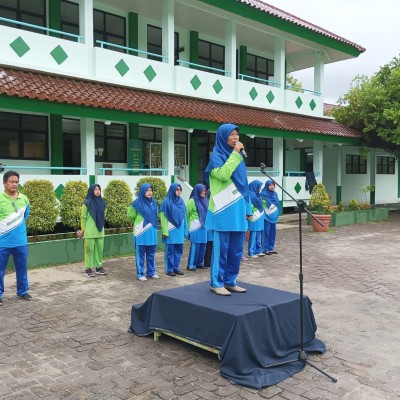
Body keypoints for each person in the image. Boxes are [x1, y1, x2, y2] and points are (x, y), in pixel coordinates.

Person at [204, 123, 251, 296]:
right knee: (221, 250)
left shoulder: (238, 160)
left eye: (237, 134)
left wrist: (248, 208)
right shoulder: (216, 158)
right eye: (231, 135)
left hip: (238, 211)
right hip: (222, 211)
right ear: (223, 137)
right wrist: (236, 155)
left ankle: (230, 281)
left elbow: (244, 186)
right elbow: (223, 175)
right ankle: (216, 283)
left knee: (236, 250)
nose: (235, 138)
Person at [0, 171, 31, 305]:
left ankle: (23, 291)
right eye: (11, 182)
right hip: (3, 242)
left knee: (22, 268)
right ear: (4, 183)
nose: (14, 184)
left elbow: (26, 216)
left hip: (20, 241)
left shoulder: (24, 199)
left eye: (16, 182)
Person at [127, 183, 159, 281]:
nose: (149, 192)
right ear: (142, 191)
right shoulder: (136, 203)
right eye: (147, 190)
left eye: (151, 190)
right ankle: (140, 273)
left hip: (152, 231)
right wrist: (137, 223)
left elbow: (156, 214)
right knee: (140, 253)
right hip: (141, 232)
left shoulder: (154, 202)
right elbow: (130, 216)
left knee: (151, 253)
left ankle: (151, 272)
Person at [160, 183, 187, 277]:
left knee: (179, 250)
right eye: (177, 189)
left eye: (180, 189)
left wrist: (185, 231)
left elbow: (184, 217)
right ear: (172, 190)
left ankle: (176, 268)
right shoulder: (166, 202)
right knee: (170, 250)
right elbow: (163, 218)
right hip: (170, 230)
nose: (179, 191)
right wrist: (164, 231)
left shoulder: (182, 201)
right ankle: (169, 269)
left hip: (179, 230)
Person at [80, 184, 107, 277]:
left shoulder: (103, 202)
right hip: (89, 231)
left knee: (99, 250)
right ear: (91, 191)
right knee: (89, 250)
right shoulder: (86, 203)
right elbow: (83, 217)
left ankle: (98, 267)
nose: (97, 191)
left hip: (100, 231)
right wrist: (83, 229)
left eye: (99, 189)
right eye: (95, 189)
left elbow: (104, 215)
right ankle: (88, 268)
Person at [186, 183, 208, 271]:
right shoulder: (191, 201)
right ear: (198, 191)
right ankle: (191, 264)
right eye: (202, 190)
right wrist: (187, 229)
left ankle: (200, 263)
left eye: (205, 190)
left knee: (203, 245)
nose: (204, 192)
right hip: (194, 226)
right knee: (195, 245)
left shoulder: (205, 200)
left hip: (204, 226)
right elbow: (186, 214)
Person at [260, 179, 280, 255]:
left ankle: (271, 248)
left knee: (272, 233)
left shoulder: (275, 194)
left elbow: (277, 204)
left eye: (273, 185)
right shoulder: (263, 194)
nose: (272, 187)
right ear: (267, 186)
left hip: (274, 217)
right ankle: (265, 249)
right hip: (266, 217)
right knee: (266, 233)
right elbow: (263, 204)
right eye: (270, 185)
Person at [247, 180, 266, 258]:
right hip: (254, 217)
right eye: (259, 187)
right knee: (254, 234)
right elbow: (250, 206)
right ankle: (251, 252)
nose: (260, 189)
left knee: (258, 234)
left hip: (259, 217)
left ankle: (258, 250)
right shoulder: (251, 195)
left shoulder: (257, 195)